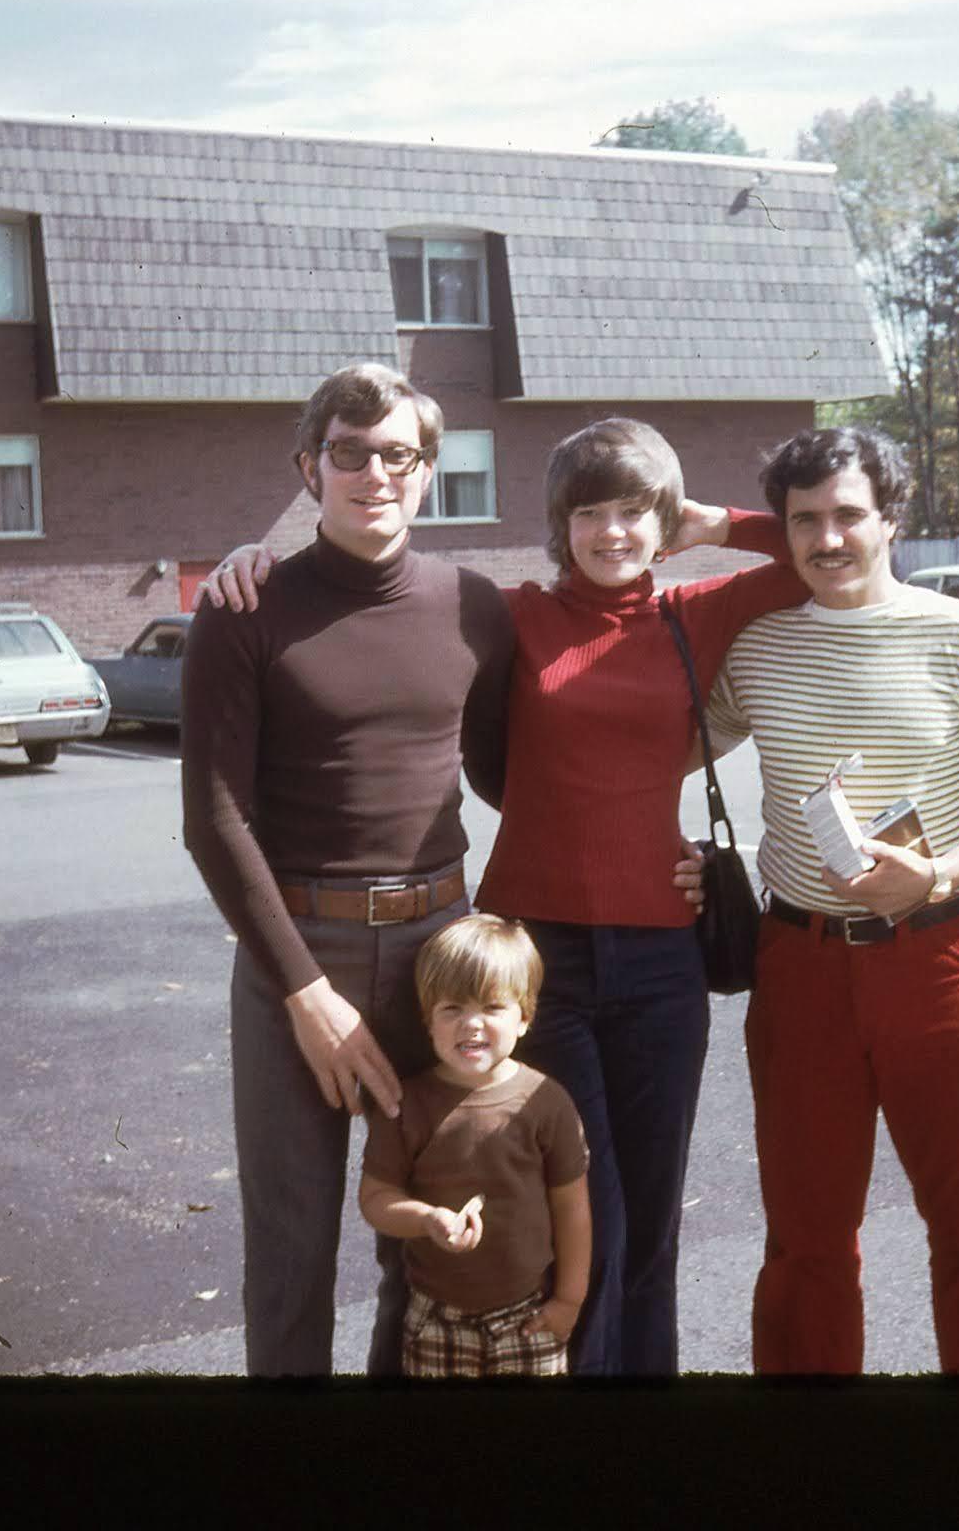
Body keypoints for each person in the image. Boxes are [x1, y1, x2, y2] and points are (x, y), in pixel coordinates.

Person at [204, 415, 808, 1376]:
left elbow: (817, 543)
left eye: (634, 513)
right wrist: (258, 561)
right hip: (536, 964)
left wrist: (706, 519)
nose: (612, 533)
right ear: (558, 523)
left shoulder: (697, 615)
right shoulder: (505, 613)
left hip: (662, 958)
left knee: (650, 1216)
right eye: (590, 513)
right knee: (579, 1211)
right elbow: (377, 577)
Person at [181, 361, 516, 1378]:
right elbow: (213, 820)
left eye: (397, 455)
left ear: (427, 475)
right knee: (290, 1254)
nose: (374, 473)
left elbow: (514, 775)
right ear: (309, 466)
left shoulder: (476, 608)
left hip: (438, 957)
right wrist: (307, 992)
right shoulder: (246, 608)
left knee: (426, 1240)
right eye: (348, 453)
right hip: (296, 952)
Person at [703, 426, 959, 1376]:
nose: (827, 540)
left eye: (848, 515)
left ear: (891, 519)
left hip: (938, 960)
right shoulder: (758, 647)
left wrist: (937, 875)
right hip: (800, 965)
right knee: (806, 1234)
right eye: (803, 521)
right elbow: (637, 730)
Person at [359, 912, 592, 1378]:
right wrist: (427, 1220)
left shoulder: (546, 1102)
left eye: (492, 1007)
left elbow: (572, 1208)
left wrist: (569, 1299)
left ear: (524, 1018)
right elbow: (375, 1199)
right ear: (428, 1019)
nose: (472, 1024)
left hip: (529, 1318)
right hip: (435, 1319)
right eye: (452, 1009)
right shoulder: (408, 1105)